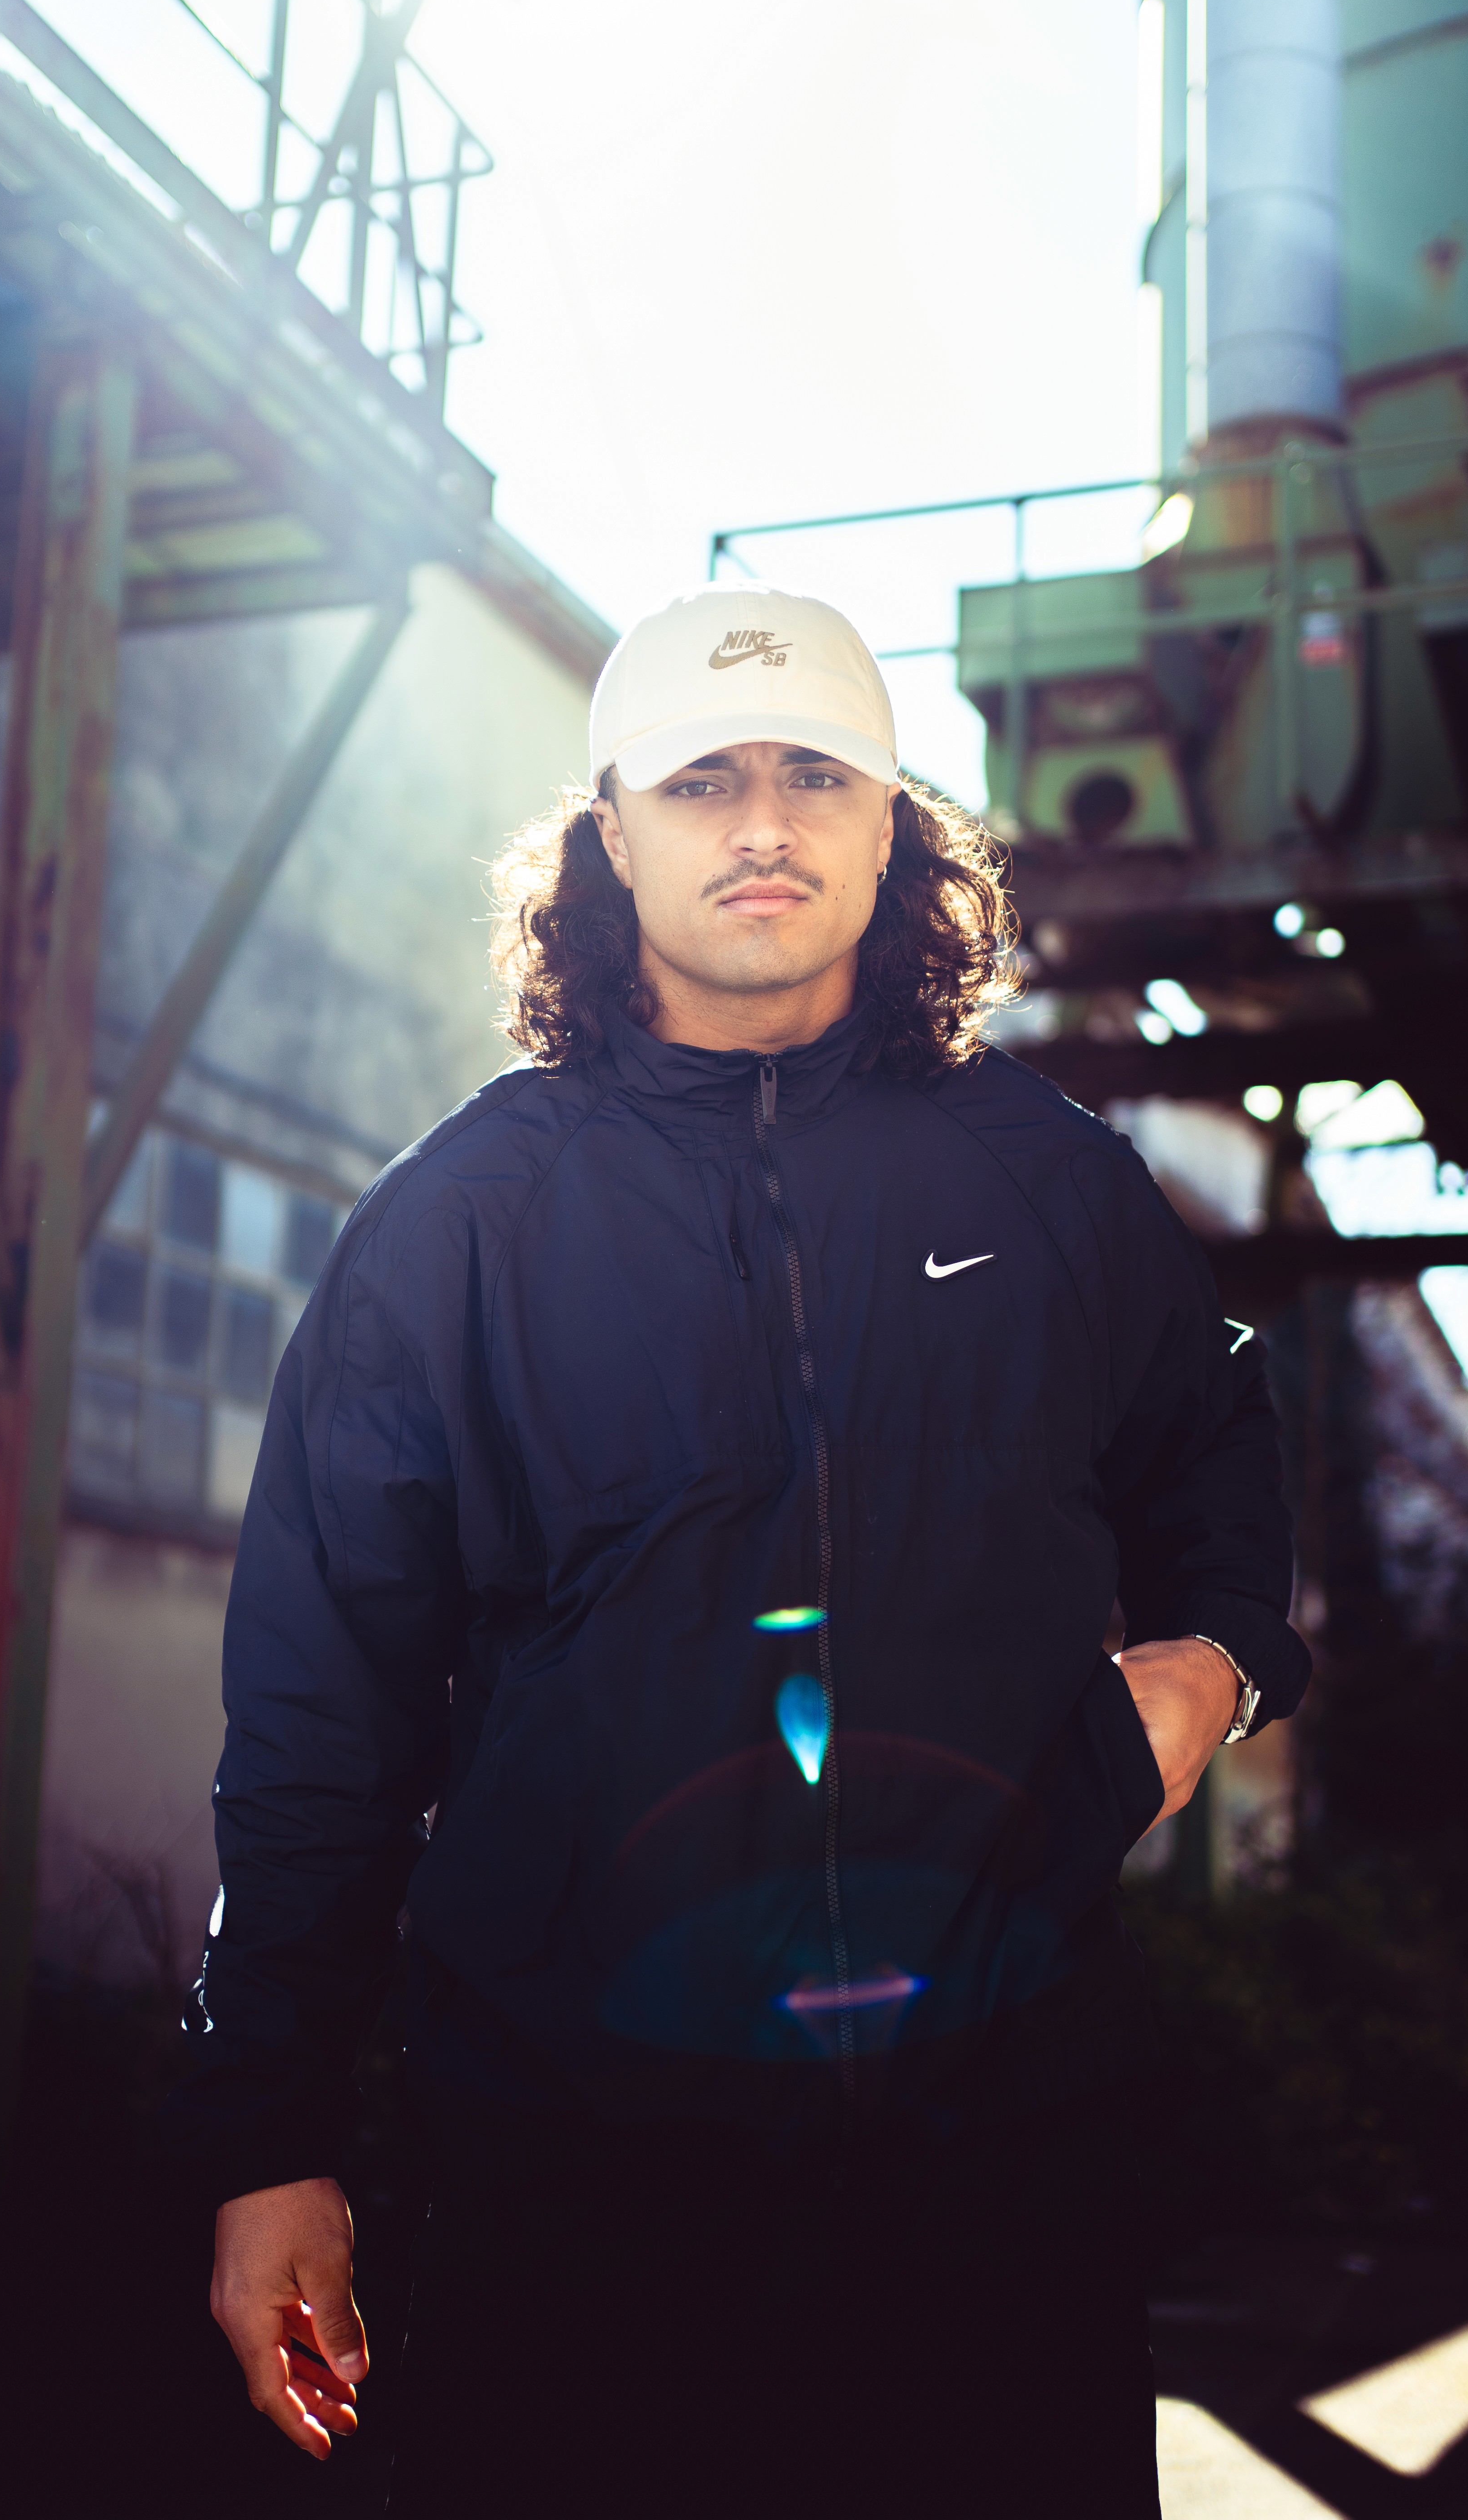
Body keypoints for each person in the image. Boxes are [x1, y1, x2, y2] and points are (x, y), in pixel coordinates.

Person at [171, 584, 1307, 2515]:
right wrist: (269, 2139)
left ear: (891, 828)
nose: (761, 826)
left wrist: (1203, 1673)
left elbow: (1218, 1444)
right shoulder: (459, 1224)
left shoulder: (1054, 1184)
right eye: (705, 780)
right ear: (613, 838)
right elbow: (317, 1712)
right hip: (576, 2172)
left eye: (812, 777)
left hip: (997, 2167)